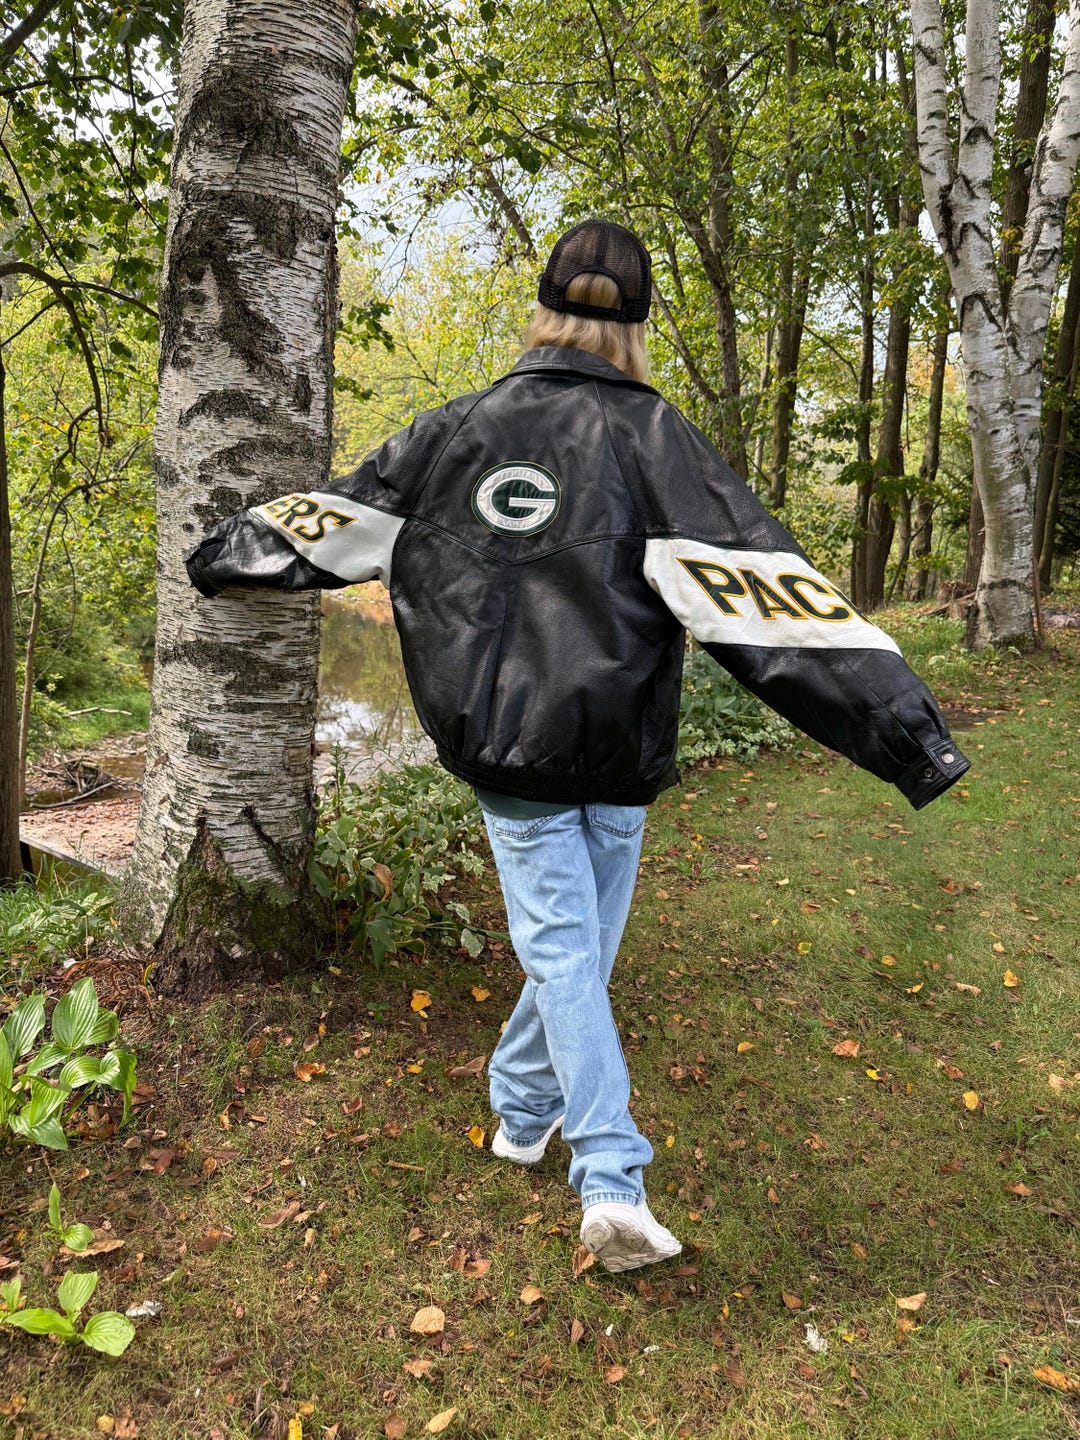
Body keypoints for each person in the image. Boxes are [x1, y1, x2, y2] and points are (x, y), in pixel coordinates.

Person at [185, 219, 970, 1273]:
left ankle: (518, 1111)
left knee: (577, 955)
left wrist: (221, 551)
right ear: (637, 327)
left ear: (544, 307)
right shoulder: (664, 448)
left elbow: (322, 526)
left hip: (509, 750)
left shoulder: (451, 434)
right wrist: (910, 737)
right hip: (609, 752)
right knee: (569, 951)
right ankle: (609, 1176)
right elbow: (783, 613)